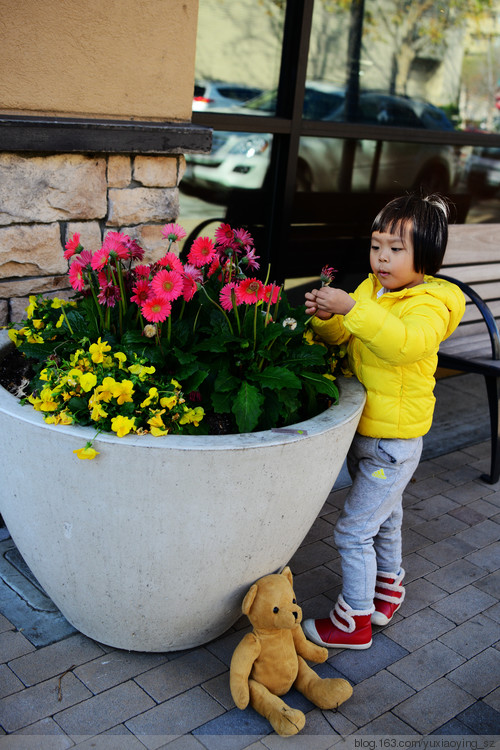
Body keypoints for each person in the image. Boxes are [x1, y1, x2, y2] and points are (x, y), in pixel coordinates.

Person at [302, 193, 465, 649]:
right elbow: (346, 333)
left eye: (396, 248)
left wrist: (354, 310)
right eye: (376, 246)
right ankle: (387, 590)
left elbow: (403, 345)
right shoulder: (373, 292)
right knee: (385, 517)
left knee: (353, 530)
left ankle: (353, 621)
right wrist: (326, 317)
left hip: (392, 444)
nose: (382, 258)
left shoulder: (430, 303)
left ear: (426, 256)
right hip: (368, 432)